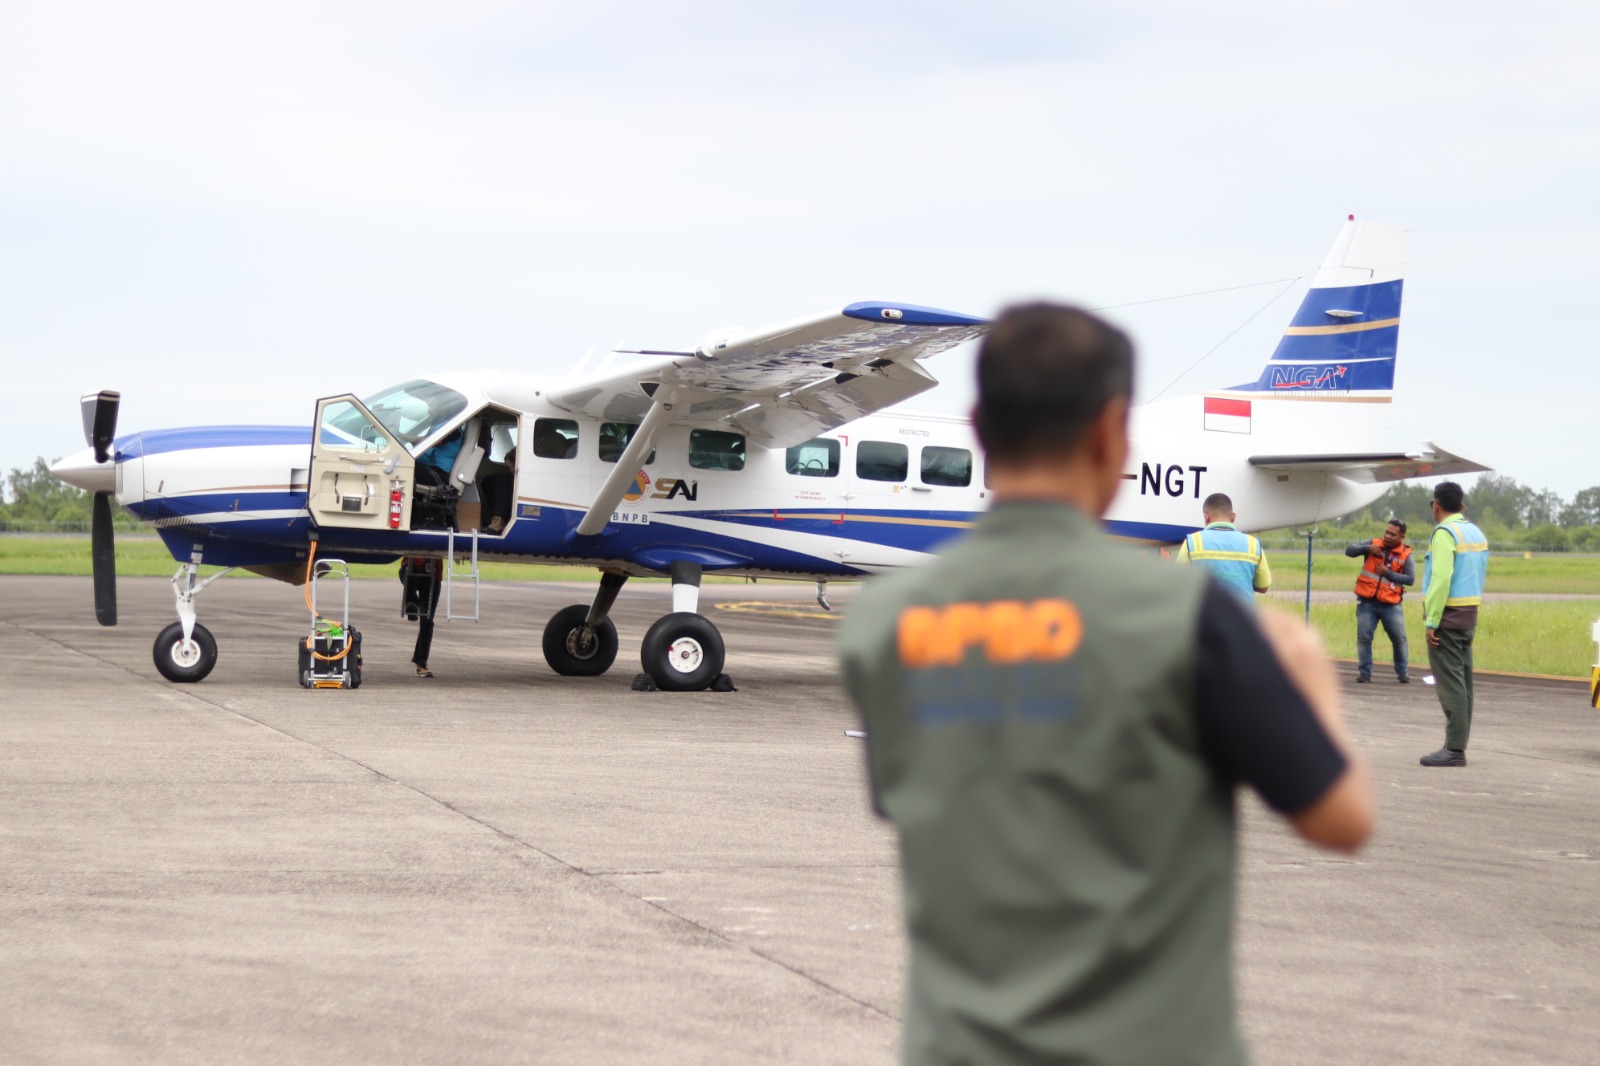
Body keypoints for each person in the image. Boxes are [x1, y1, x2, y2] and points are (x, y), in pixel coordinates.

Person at [837, 303, 1374, 1066]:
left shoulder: (882, 623)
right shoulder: (1189, 619)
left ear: (980, 431)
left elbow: (907, 797)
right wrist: (1311, 676)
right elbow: (1341, 820)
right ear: (1114, 436)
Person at [1419, 481, 1489, 767]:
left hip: (1447, 618)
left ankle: (1455, 749)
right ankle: (1456, 743)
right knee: (1464, 683)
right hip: (1469, 615)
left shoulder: (1444, 533)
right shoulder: (1475, 532)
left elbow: (1441, 578)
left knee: (1451, 686)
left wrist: (1432, 621)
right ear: (1462, 506)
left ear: (1436, 505)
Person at [1346, 519, 1415, 683]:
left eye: (1393, 534)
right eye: (1387, 532)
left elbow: (1410, 579)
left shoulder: (1406, 555)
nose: (1388, 536)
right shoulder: (1373, 544)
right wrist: (1366, 548)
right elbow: (1349, 550)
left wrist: (1387, 573)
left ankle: (1402, 673)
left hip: (1391, 605)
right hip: (1367, 603)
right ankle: (1365, 673)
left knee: (1399, 639)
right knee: (1364, 638)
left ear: (1402, 536)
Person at [1174, 492, 1272, 603]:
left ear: (1206, 517)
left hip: (1205, 618)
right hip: (1242, 618)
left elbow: (1178, 583)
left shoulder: (1192, 542)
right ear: (1233, 517)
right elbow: (1264, 586)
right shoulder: (1253, 544)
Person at [400, 556, 444, 678]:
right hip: (411, 569)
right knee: (408, 568)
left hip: (433, 573)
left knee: (427, 621)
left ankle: (421, 663)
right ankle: (412, 602)